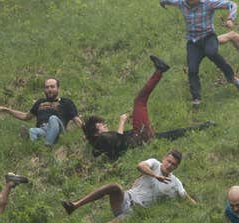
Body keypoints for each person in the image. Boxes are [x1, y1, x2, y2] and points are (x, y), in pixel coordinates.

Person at [83, 55, 214, 160]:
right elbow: (119, 139)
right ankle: (159, 70)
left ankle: (205, 126)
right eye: (100, 124)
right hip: (139, 136)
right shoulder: (103, 138)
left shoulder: (99, 143)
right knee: (139, 100)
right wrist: (122, 121)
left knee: (173, 134)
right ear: (95, 131)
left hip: (139, 137)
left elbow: (109, 149)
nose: (104, 125)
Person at [60, 150, 195, 223]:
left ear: (176, 167)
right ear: (164, 158)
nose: (169, 165)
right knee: (115, 186)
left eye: (173, 164)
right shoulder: (154, 164)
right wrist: (155, 176)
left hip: (134, 212)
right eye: (168, 161)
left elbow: (185, 197)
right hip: (125, 199)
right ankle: (74, 205)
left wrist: (198, 207)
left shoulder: (175, 182)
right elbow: (140, 166)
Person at [160, 0, 239, 106]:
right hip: (193, 42)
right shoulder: (182, 2)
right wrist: (162, 1)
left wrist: (230, 19)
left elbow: (231, 4)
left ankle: (231, 77)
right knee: (192, 70)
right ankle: (196, 98)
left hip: (208, 37)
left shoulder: (208, 2)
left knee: (212, 52)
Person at [0, 78, 83, 145]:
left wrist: (88, 131)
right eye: (47, 87)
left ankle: (48, 145)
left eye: (52, 87)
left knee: (53, 118)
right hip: (43, 130)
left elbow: (77, 120)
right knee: (32, 130)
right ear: (44, 89)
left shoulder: (66, 102)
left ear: (58, 88)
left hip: (58, 129)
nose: (49, 89)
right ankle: (32, 146)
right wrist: (6, 110)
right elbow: (25, 116)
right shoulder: (40, 102)